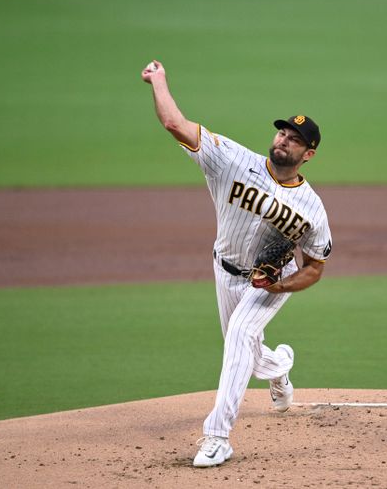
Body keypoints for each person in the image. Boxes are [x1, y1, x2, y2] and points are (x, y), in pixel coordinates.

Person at [141, 60, 332, 468]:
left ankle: (217, 436)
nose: (283, 139)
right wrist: (158, 81)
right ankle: (280, 367)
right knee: (244, 346)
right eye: (282, 131)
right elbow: (175, 123)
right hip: (223, 270)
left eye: (295, 139)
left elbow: (315, 267)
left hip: (269, 284)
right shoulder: (231, 160)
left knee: (242, 333)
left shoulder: (312, 210)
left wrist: (278, 286)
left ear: (308, 154)